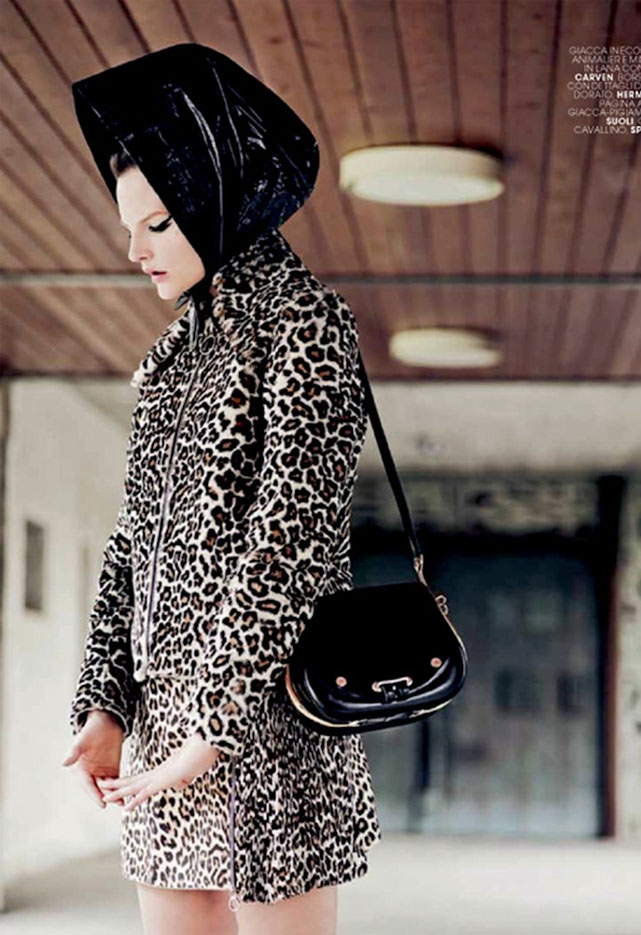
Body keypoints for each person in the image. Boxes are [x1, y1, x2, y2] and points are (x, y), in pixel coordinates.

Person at [60, 43, 381, 935]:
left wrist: (213, 726)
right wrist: (105, 702)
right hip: (165, 722)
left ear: (218, 197)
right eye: (130, 226)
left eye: (158, 223)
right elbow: (132, 545)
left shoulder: (306, 323)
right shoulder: (169, 360)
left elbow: (291, 540)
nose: (134, 250)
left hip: (270, 718)